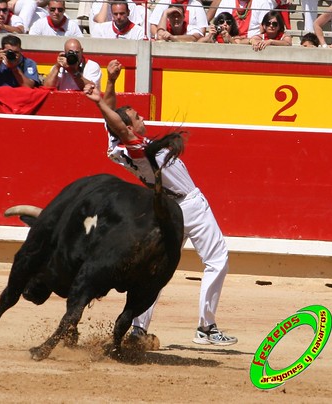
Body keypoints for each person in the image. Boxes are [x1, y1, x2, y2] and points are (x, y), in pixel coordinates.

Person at [83, 60, 238, 347]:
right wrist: (98, 103)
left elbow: (113, 120)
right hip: (187, 203)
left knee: (157, 270)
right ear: (128, 127)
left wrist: (112, 83)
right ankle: (206, 327)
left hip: (166, 209)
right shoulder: (138, 147)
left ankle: (139, 329)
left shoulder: (116, 147)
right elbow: (116, 120)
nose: (142, 119)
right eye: (137, 116)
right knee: (216, 260)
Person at [210, 0, 274, 39]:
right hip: (229, 41)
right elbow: (217, 24)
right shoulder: (226, 1)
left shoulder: (262, 2)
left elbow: (264, 29)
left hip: (252, 43)